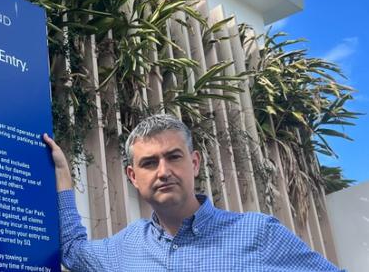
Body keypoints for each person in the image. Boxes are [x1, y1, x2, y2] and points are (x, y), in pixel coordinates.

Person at [43, 114, 343, 271]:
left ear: (194, 162)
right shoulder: (123, 249)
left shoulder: (258, 234)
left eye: (173, 157)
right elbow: (72, 251)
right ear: (133, 177)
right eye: (149, 163)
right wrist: (63, 176)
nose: (163, 171)